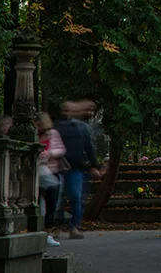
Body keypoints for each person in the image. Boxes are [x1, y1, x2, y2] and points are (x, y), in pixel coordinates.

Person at [55, 101, 102, 239]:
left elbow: (88, 147)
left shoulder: (81, 127)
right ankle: (57, 226)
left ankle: (74, 226)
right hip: (59, 167)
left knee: (76, 196)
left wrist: (94, 166)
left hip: (75, 167)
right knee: (58, 199)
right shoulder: (58, 126)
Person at [35, 112, 65, 247]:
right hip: (36, 173)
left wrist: (50, 153)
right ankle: (37, 231)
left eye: (40, 124)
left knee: (51, 205)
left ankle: (48, 234)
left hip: (51, 172)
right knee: (38, 205)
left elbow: (61, 149)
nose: (38, 126)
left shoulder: (53, 134)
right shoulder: (33, 134)